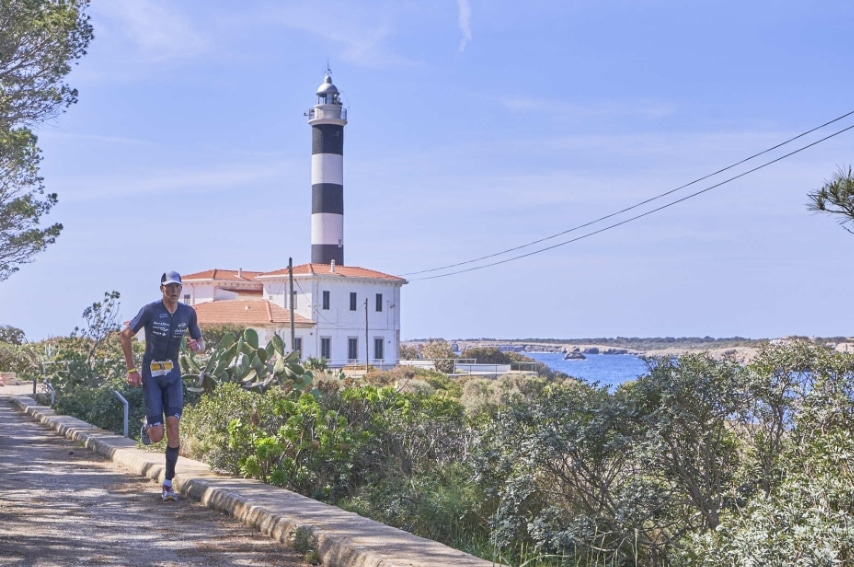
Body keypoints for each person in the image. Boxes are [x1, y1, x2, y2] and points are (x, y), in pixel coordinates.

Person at [120, 271, 204, 501]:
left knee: (174, 426)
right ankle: (148, 426)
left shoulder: (188, 313)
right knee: (157, 437)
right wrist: (131, 370)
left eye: (177, 286)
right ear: (162, 289)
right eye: (169, 287)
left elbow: (201, 343)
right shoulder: (150, 310)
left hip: (173, 376)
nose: (174, 291)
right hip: (151, 375)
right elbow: (125, 336)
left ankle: (168, 482)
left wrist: (197, 347)